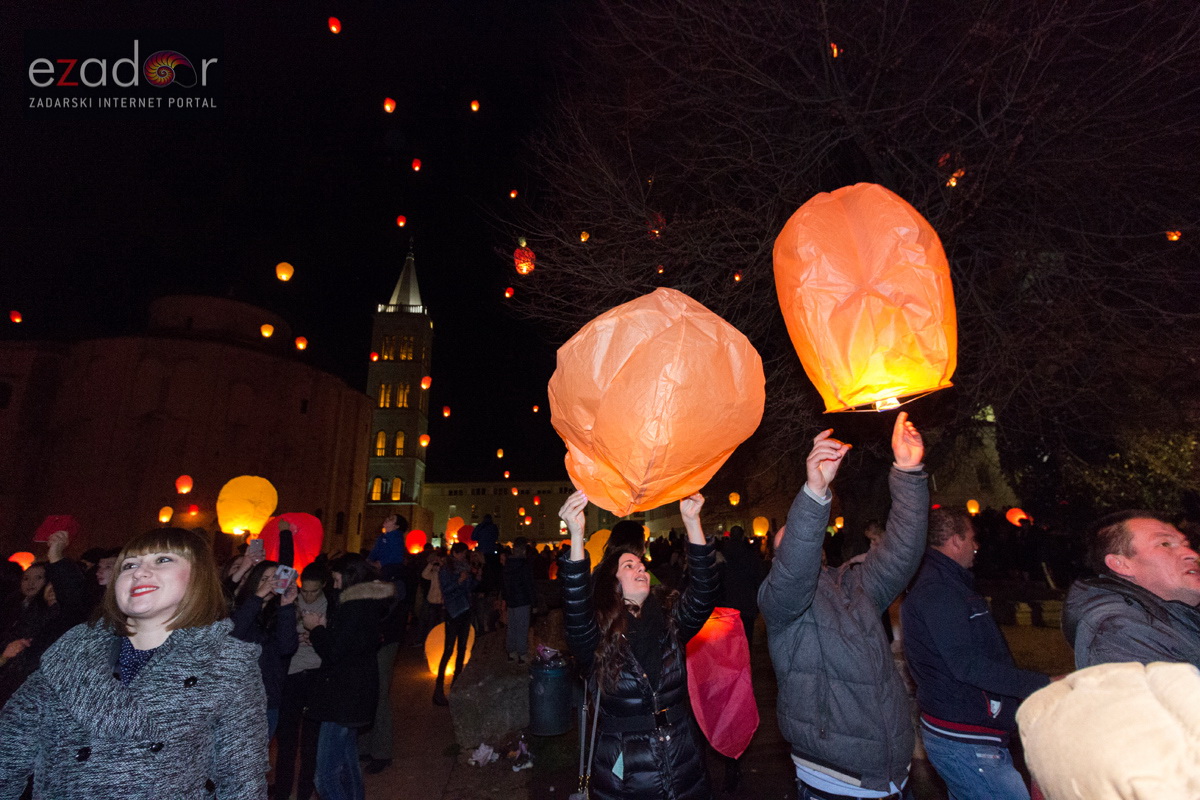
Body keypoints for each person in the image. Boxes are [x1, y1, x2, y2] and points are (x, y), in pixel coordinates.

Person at [0, 527, 268, 798]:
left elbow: (242, 777)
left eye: (163, 560)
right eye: (129, 565)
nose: (139, 572)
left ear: (198, 578)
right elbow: (8, 749)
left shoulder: (228, 662)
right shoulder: (71, 652)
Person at [759, 412, 927, 800]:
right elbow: (794, 571)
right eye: (794, 535)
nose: (805, 537)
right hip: (833, 781)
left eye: (809, 532)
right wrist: (815, 493)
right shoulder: (779, 601)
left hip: (893, 779)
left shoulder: (853, 583)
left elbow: (902, 551)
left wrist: (908, 471)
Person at [558, 489, 719, 800]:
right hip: (627, 772)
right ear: (613, 583)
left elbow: (704, 593)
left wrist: (692, 521)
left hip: (682, 759)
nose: (641, 568)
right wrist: (576, 535)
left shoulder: (671, 623)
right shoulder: (598, 639)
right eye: (628, 566)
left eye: (641, 563)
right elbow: (576, 607)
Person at [902, 508, 1051, 800]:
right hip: (966, 738)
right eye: (971, 538)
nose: (976, 545)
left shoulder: (948, 582)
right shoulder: (939, 589)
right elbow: (967, 664)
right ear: (955, 541)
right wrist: (1042, 683)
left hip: (970, 731)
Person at [302, 556, 394, 800]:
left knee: (325, 775)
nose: (333, 585)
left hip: (342, 699)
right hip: (354, 695)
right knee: (348, 763)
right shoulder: (366, 603)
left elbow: (334, 653)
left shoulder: (354, 608)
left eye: (336, 579)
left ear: (349, 576)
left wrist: (316, 629)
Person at [1062, 510, 1200, 668]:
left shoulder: (1174, 616)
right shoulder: (1119, 632)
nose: (1192, 554)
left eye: (1186, 545)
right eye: (1165, 544)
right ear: (1121, 564)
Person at [274, 562, 328, 800]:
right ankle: (282, 791)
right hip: (292, 675)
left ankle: (305, 791)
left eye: (313, 591)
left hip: (316, 674)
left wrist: (318, 634)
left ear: (323, 586)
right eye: (304, 590)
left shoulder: (332, 605)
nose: (307, 595)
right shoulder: (292, 600)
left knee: (310, 742)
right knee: (286, 741)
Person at [231, 560, 300, 740]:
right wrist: (257, 597)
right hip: (236, 703)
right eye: (264, 579)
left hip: (268, 700)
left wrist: (286, 606)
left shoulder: (279, 613)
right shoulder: (237, 608)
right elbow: (233, 635)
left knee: (257, 764)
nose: (270, 583)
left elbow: (287, 648)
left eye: (275, 579)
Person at [433, 542, 476, 706]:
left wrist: (475, 578)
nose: (465, 557)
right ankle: (438, 689)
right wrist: (459, 580)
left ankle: (456, 686)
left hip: (465, 609)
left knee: (462, 648)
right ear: (457, 553)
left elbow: (469, 587)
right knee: (449, 649)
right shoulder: (446, 569)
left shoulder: (464, 567)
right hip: (453, 611)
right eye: (463, 554)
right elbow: (446, 589)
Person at [502, 537, 535, 662]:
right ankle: (522, 654)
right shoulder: (524, 565)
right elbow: (529, 584)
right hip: (523, 599)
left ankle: (511, 652)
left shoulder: (508, 564)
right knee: (522, 627)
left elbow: (504, 583)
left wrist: (505, 598)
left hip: (511, 600)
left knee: (512, 626)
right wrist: (534, 602)